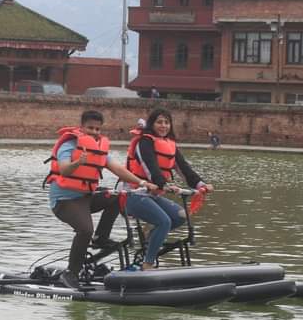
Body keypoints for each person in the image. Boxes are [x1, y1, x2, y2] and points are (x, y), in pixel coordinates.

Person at [46, 110, 158, 290]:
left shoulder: (98, 147)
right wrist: (77, 163)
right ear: (81, 127)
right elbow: (65, 169)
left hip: (85, 197)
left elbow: (118, 169)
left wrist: (143, 182)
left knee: (115, 197)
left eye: (98, 129)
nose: (94, 132)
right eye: (90, 128)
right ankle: (70, 274)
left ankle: (101, 238)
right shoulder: (70, 144)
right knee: (85, 229)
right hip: (64, 201)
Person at [97, 108, 213, 270]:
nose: (163, 126)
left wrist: (201, 185)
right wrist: (164, 184)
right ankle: (148, 264)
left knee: (180, 216)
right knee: (164, 221)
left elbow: (184, 169)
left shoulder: (170, 145)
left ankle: (150, 236)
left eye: (166, 122)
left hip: (153, 195)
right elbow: (150, 167)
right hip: (133, 195)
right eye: (159, 122)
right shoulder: (144, 141)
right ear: (152, 124)